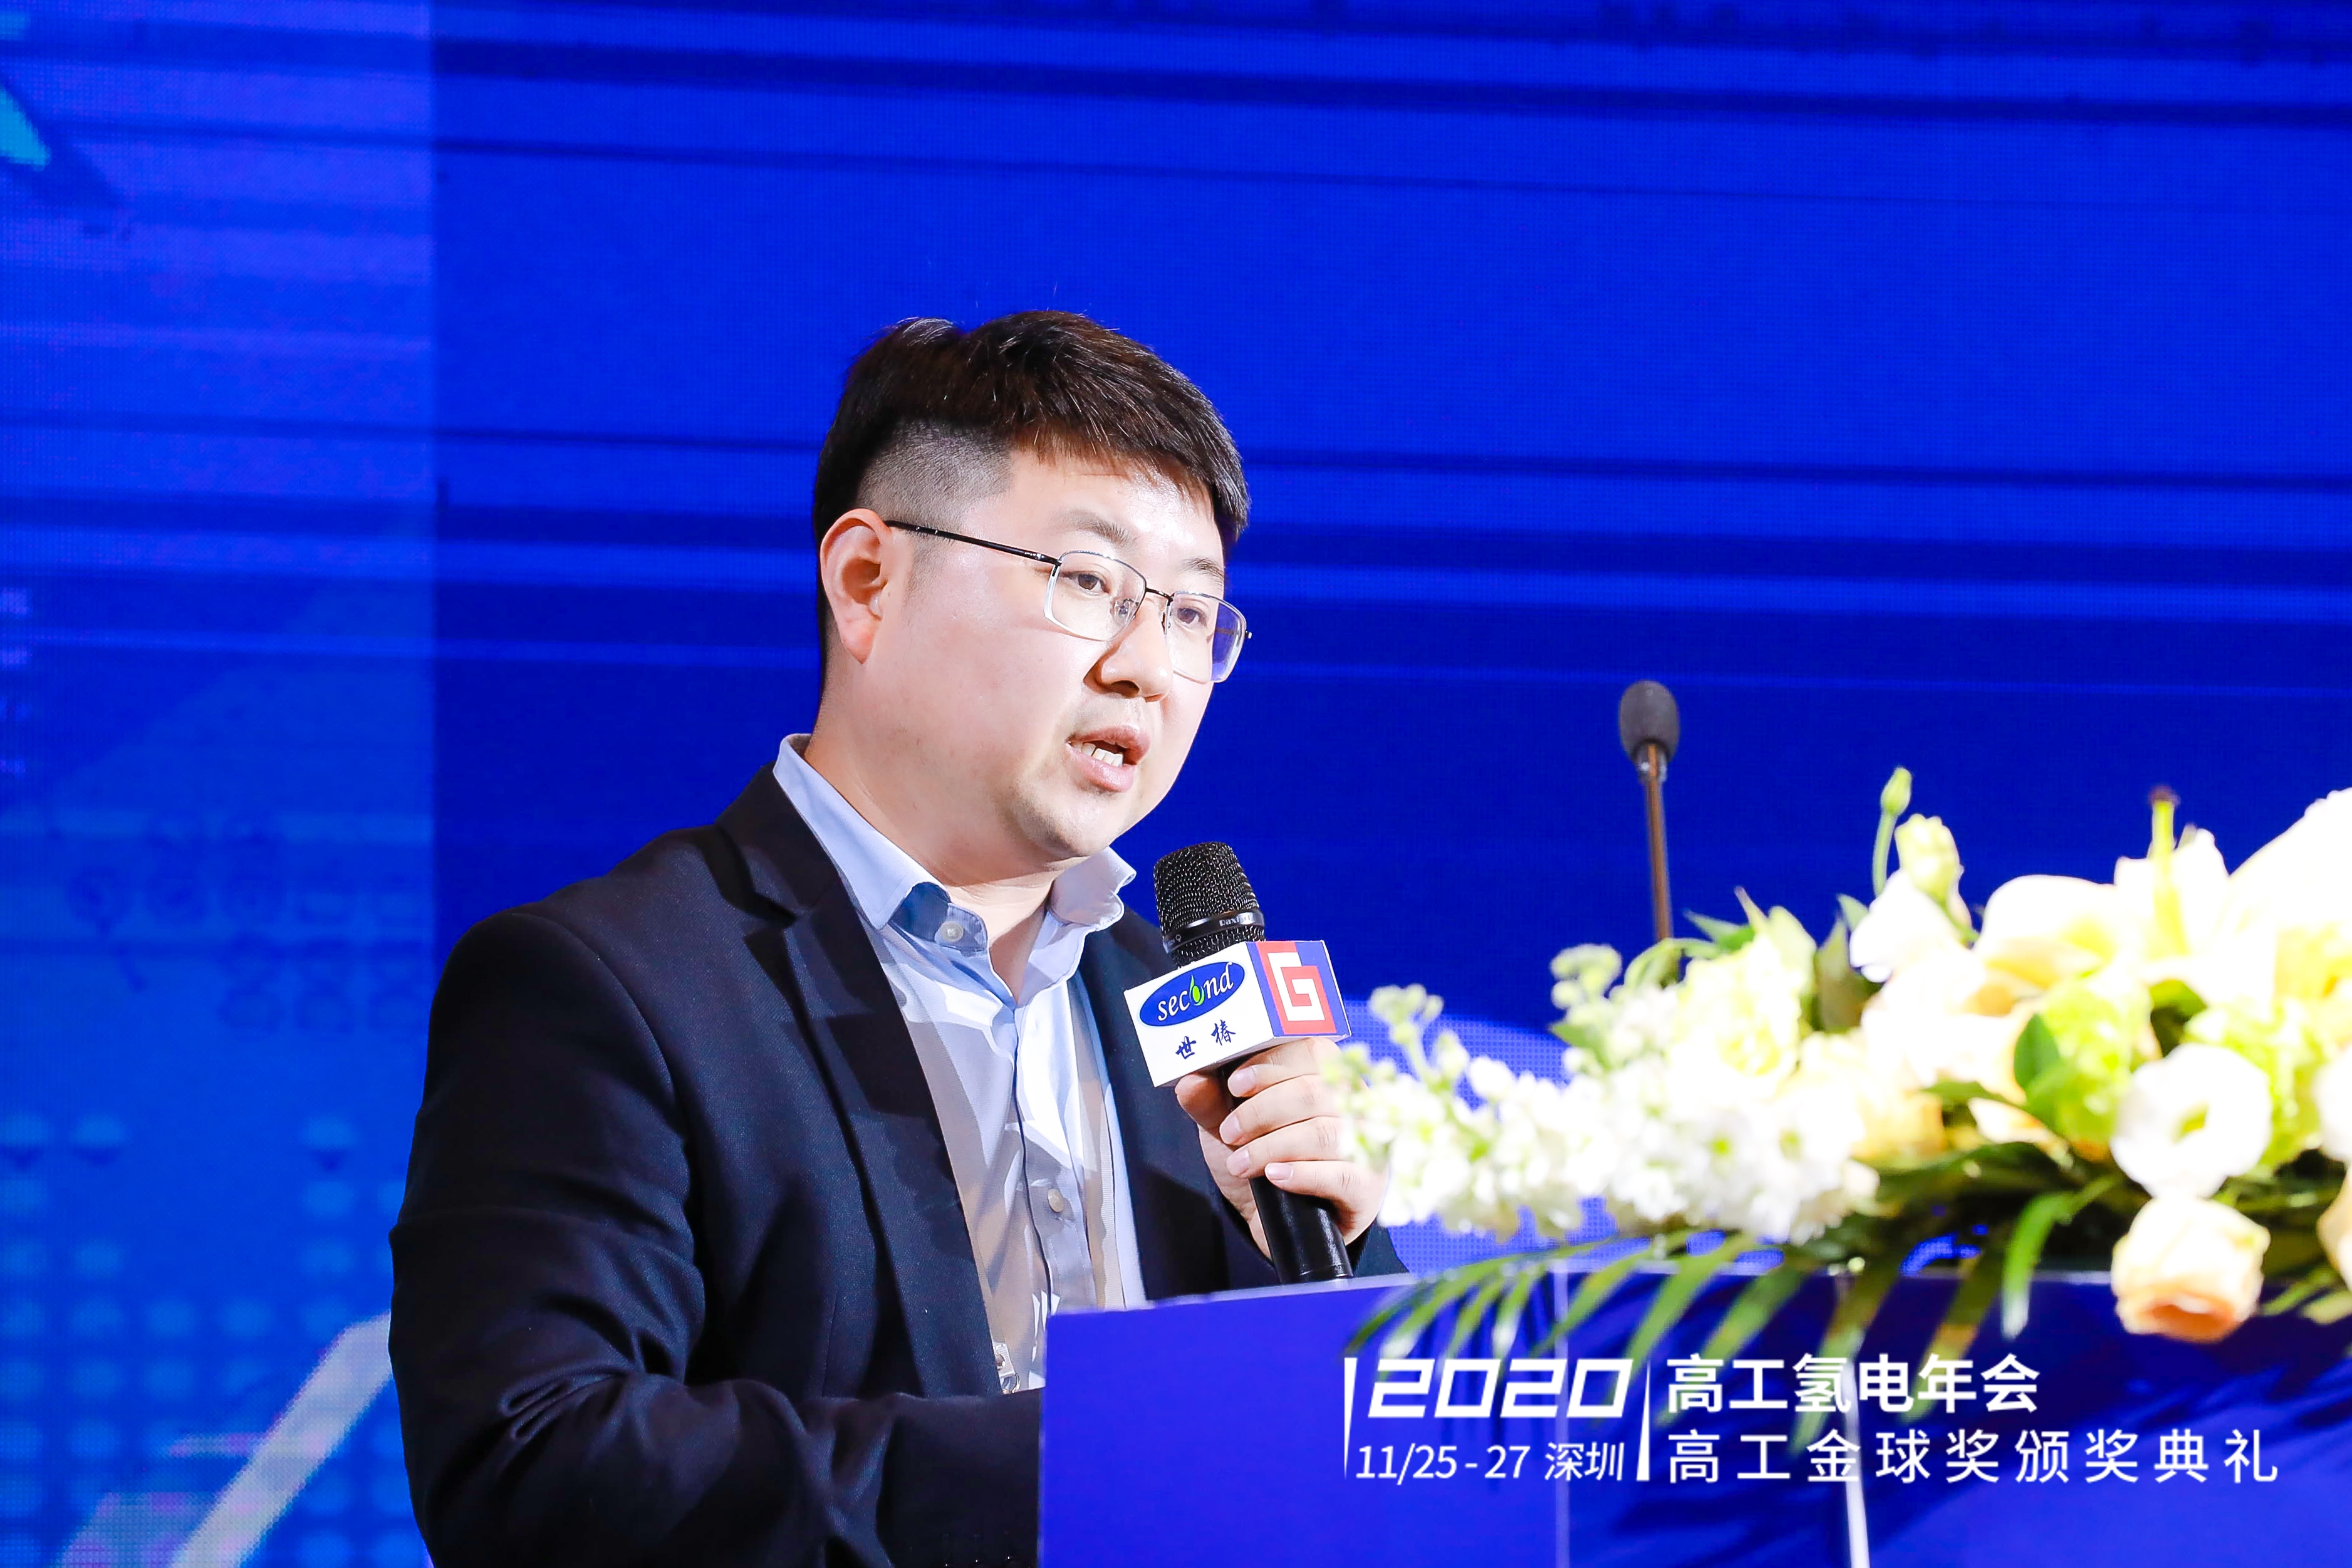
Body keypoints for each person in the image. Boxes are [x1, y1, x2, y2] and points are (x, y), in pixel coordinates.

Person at [390, 311, 1401, 1568]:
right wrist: (1089, 1454)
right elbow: (534, 1467)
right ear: (868, 581)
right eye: (1090, 582)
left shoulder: (1186, 1013)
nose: (1149, 665)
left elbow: (1328, 1480)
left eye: (1193, 614)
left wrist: (1324, 1263)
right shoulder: (605, 988)